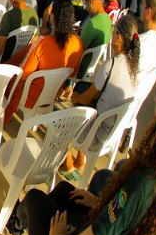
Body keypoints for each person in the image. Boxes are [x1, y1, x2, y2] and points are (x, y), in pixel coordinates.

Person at [6, 82, 156, 235]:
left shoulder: (143, 183)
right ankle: (18, 222)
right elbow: (124, 217)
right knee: (65, 190)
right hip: (95, 228)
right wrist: (98, 203)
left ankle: (17, 223)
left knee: (35, 199)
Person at [59, 13, 139, 178]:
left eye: (114, 31)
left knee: (63, 118)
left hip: (96, 133)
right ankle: (80, 160)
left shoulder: (111, 65)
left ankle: (68, 163)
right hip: (111, 132)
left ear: (119, 38)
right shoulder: (133, 68)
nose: (111, 34)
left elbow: (86, 98)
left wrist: (74, 98)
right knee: (83, 88)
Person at [5, 0, 83, 126]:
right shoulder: (78, 43)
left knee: (9, 74)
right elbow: (73, 73)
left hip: (31, 96)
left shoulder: (42, 43)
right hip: (53, 94)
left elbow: (23, 74)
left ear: (53, 17)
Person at [136, 0, 156, 100]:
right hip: (137, 101)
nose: (140, 7)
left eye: (142, 4)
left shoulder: (139, 43)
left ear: (148, 11)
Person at [78, 0, 112, 80]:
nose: (87, 9)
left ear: (90, 0)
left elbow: (79, 49)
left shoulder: (92, 23)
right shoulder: (108, 20)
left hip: (81, 68)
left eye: (87, 5)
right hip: (93, 67)